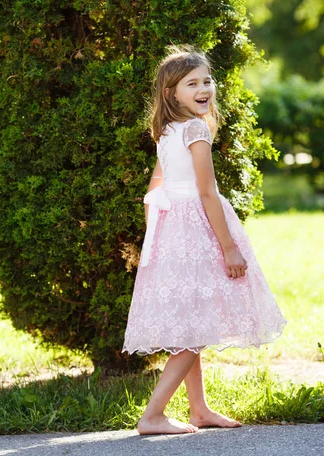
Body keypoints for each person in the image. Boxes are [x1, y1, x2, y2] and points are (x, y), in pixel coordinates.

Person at [121, 43, 287, 435]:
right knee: (195, 327)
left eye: (207, 81)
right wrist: (229, 247)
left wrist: (156, 230)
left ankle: (199, 409)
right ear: (170, 93)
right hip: (197, 228)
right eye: (192, 83)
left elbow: (155, 183)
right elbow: (207, 192)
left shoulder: (167, 129)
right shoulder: (195, 128)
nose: (204, 88)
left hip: (173, 229)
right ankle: (153, 415)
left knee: (191, 322)